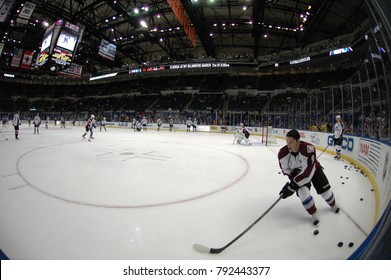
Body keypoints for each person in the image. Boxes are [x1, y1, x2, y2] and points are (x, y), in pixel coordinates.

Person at [278, 129, 340, 226]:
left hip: (313, 170)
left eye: (291, 142)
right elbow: (286, 170)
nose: (288, 145)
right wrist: (292, 180)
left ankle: (333, 204)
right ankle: (314, 213)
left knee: (325, 192)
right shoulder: (282, 154)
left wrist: (292, 186)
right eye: (287, 142)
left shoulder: (308, 149)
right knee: (303, 193)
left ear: (298, 141)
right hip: (298, 174)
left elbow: (307, 174)